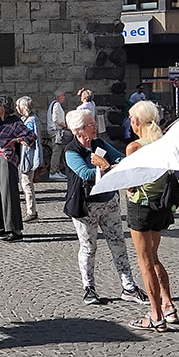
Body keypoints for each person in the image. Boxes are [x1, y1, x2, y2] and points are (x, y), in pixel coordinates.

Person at [63, 108, 145, 305]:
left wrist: (108, 166)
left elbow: (121, 159)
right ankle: (89, 288)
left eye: (94, 123)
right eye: (91, 125)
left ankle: (129, 287)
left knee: (119, 245)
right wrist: (106, 167)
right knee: (88, 248)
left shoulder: (99, 143)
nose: (95, 127)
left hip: (108, 203)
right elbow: (86, 174)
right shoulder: (71, 151)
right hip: (85, 207)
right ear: (79, 130)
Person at [125, 100, 178, 331]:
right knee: (154, 257)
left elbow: (130, 184)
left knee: (145, 261)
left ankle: (156, 315)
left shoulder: (134, 147)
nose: (130, 122)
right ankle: (168, 305)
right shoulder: (163, 142)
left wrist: (106, 166)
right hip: (161, 206)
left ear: (137, 121)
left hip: (141, 207)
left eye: (130, 118)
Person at [0, 95, 35, 242]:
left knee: (9, 194)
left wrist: (16, 140)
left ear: (4, 107)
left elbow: (30, 136)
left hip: (6, 160)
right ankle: (2, 227)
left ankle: (15, 230)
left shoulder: (15, 122)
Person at [15, 96, 43, 222]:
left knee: (27, 183)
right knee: (25, 183)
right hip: (25, 155)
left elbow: (30, 140)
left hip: (28, 156)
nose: (17, 108)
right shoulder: (28, 119)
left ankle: (31, 211)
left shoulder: (31, 121)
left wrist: (18, 139)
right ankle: (30, 210)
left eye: (18, 106)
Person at [45, 91, 71, 180]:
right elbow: (55, 119)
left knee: (58, 151)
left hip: (54, 130)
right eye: (63, 95)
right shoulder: (56, 105)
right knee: (57, 151)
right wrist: (65, 126)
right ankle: (53, 171)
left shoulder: (54, 104)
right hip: (56, 130)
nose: (64, 97)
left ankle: (57, 170)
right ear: (59, 96)